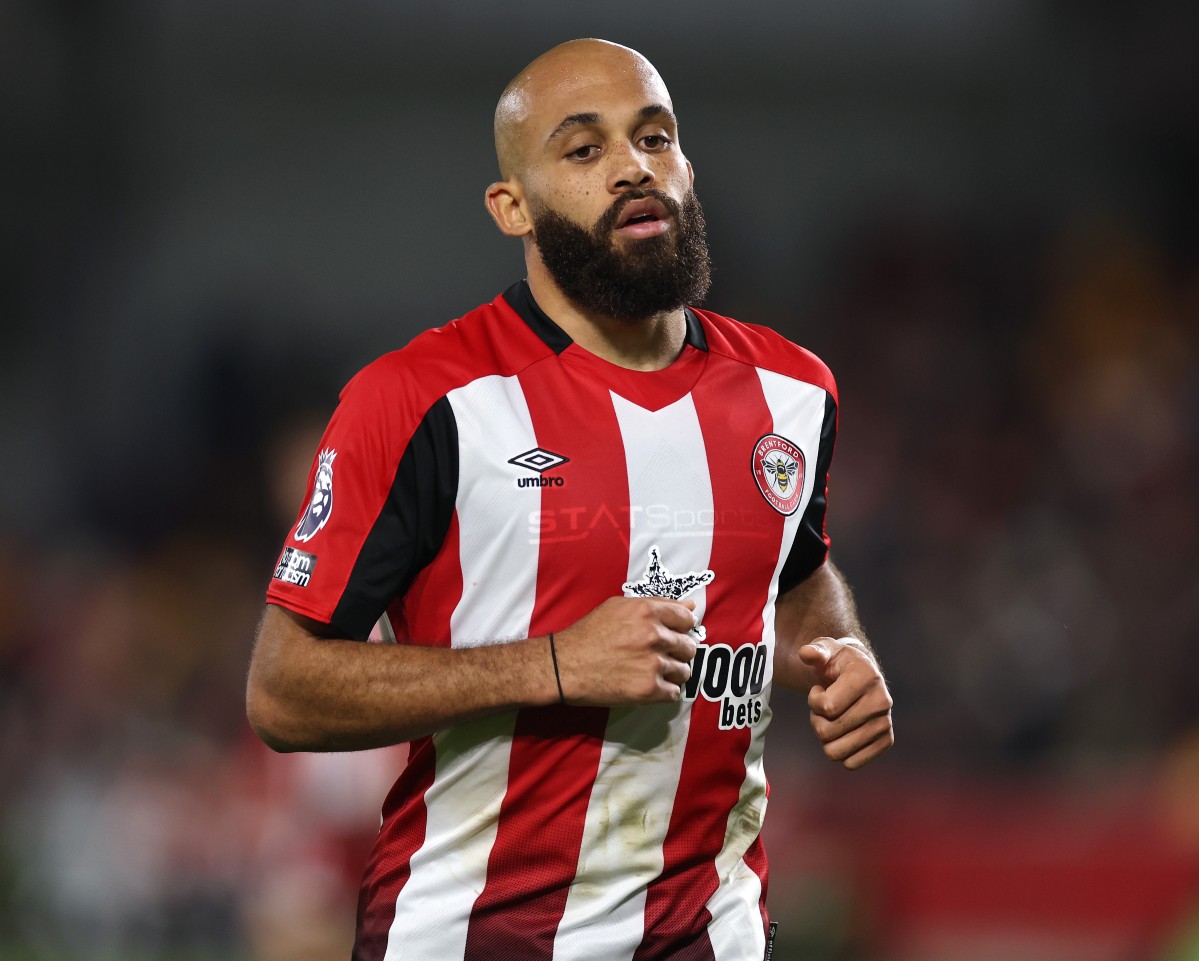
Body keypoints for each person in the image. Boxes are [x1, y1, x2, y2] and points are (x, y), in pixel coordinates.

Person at [247, 38, 894, 961]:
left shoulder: (794, 392)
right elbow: (284, 688)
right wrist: (552, 665)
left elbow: (794, 573)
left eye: (655, 138)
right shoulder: (423, 400)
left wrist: (840, 652)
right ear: (512, 205)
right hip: (474, 936)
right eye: (583, 150)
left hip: (712, 935)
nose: (633, 166)